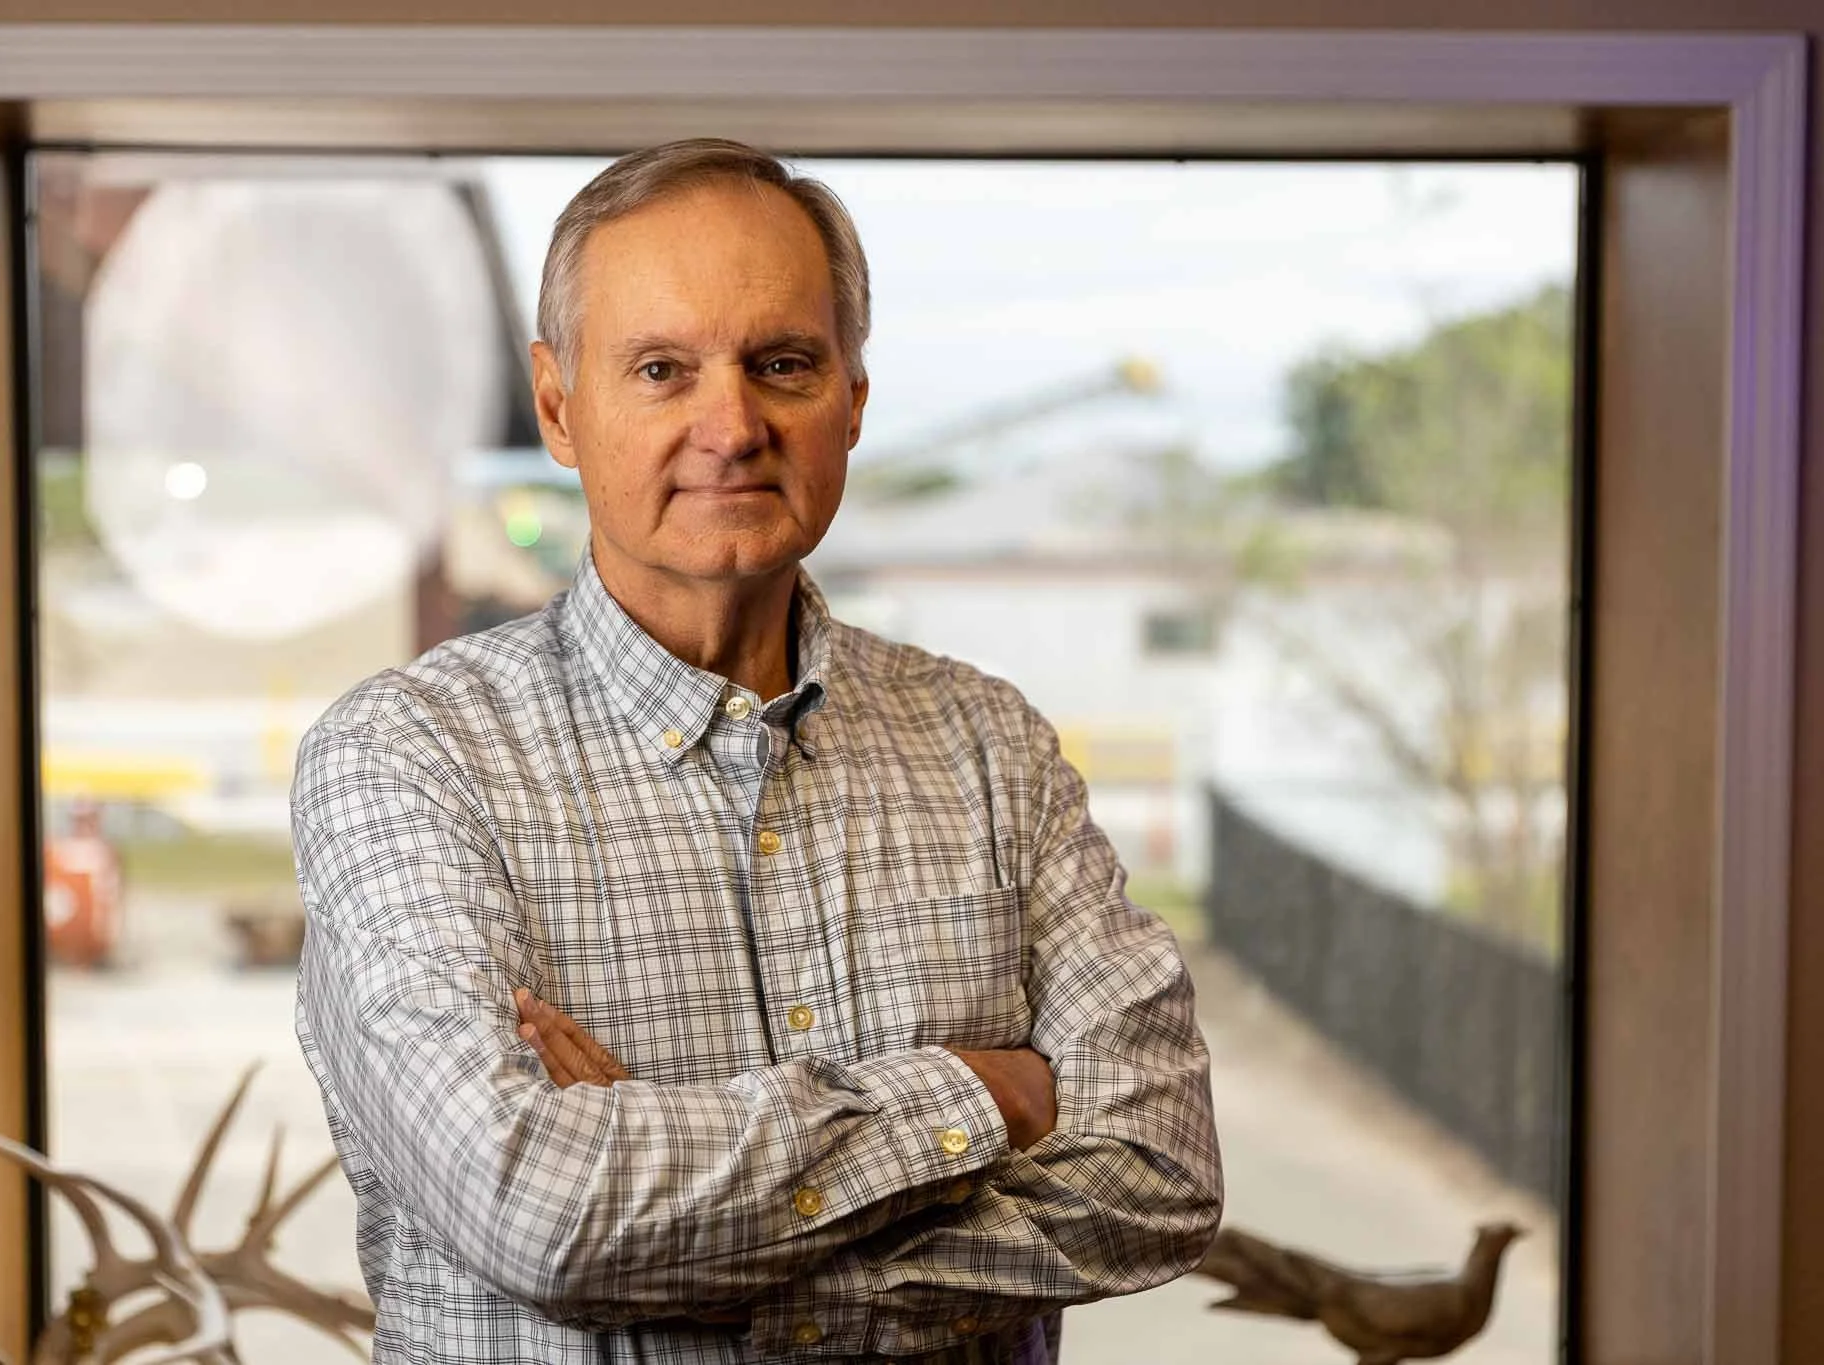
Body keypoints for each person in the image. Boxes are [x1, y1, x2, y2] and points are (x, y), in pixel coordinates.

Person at [293, 138, 1222, 1364]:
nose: (727, 427)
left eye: (780, 363)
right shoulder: (406, 758)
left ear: (851, 396)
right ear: (561, 406)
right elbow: (542, 1214)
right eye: (662, 370)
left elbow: (1157, 1175)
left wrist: (695, 1251)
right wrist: (979, 1097)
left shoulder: (993, 746)